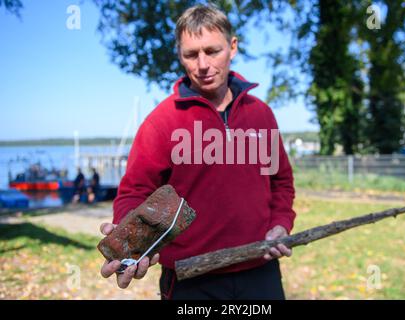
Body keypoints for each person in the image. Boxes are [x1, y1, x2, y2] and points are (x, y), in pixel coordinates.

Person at [100, 4, 296, 300]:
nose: (202, 64)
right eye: (191, 54)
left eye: (212, 51)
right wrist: (130, 242)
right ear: (180, 54)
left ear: (232, 47)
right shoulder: (162, 121)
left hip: (260, 268)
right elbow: (135, 191)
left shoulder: (261, 114)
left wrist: (281, 223)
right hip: (191, 279)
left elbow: (280, 181)